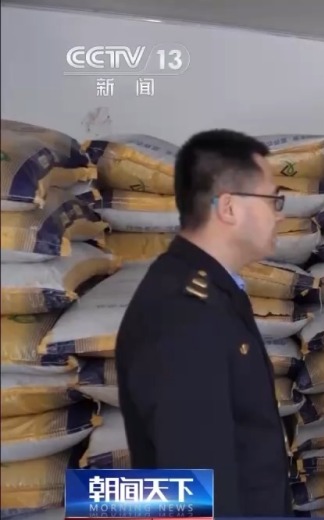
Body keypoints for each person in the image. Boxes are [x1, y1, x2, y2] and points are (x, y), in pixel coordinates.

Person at [115, 129, 292, 517]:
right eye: (273, 199)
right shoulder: (183, 314)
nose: (279, 213)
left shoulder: (212, 290)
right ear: (228, 207)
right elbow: (193, 484)